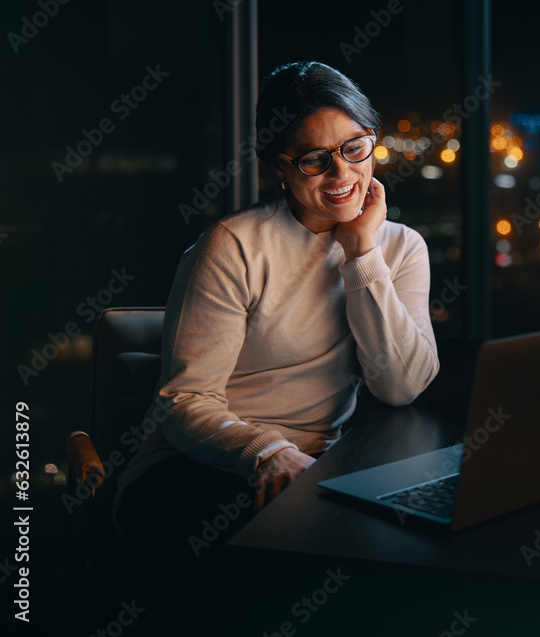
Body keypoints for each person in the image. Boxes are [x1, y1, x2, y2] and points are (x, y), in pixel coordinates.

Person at [114, 61, 440, 550]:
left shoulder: (401, 248)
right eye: (314, 158)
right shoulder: (233, 246)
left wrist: (360, 253)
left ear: (372, 140)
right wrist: (267, 451)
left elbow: (401, 386)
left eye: (354, 148)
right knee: (303, 544)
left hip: (316, 466)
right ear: (278, 166)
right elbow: (183, 402)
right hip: (195, 464)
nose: (342, 172)